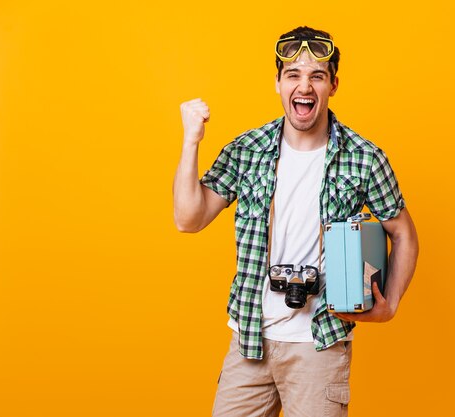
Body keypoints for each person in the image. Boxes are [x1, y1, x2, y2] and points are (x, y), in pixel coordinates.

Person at [173, 26, 419, 417]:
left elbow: (404, 233)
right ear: (277, 82)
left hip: (318, 345)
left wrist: (391, 304)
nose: (304, 86)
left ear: (333, 85)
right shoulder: (247, 150)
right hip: (249, 340)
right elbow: (189, 219)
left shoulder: (364, 158)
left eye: (316, 76)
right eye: (293, 75)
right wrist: (191, 142)